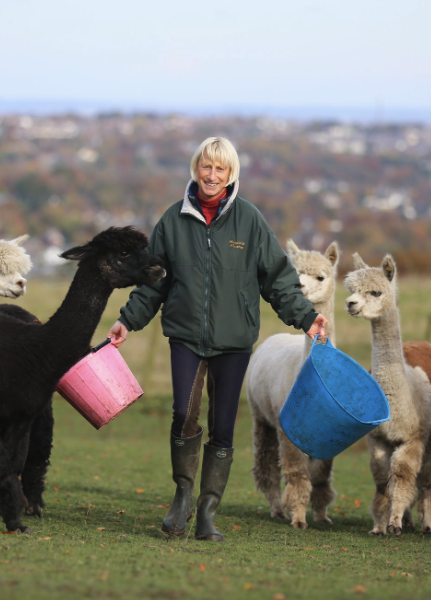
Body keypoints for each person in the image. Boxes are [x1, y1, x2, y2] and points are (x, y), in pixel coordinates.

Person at [108, 137, 327, 542]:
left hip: (234, 341)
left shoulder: (249, 221)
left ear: (231, 175)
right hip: (186, 337)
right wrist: (128, 320)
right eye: (206, 167)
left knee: (222, 427)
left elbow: (278, 280)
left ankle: (209, 510)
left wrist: (306, 316)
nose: (211, 176)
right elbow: (153, 283)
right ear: (196, 169)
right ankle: (183, 496)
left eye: (220, 169)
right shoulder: (173, 221)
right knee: (183, 415)